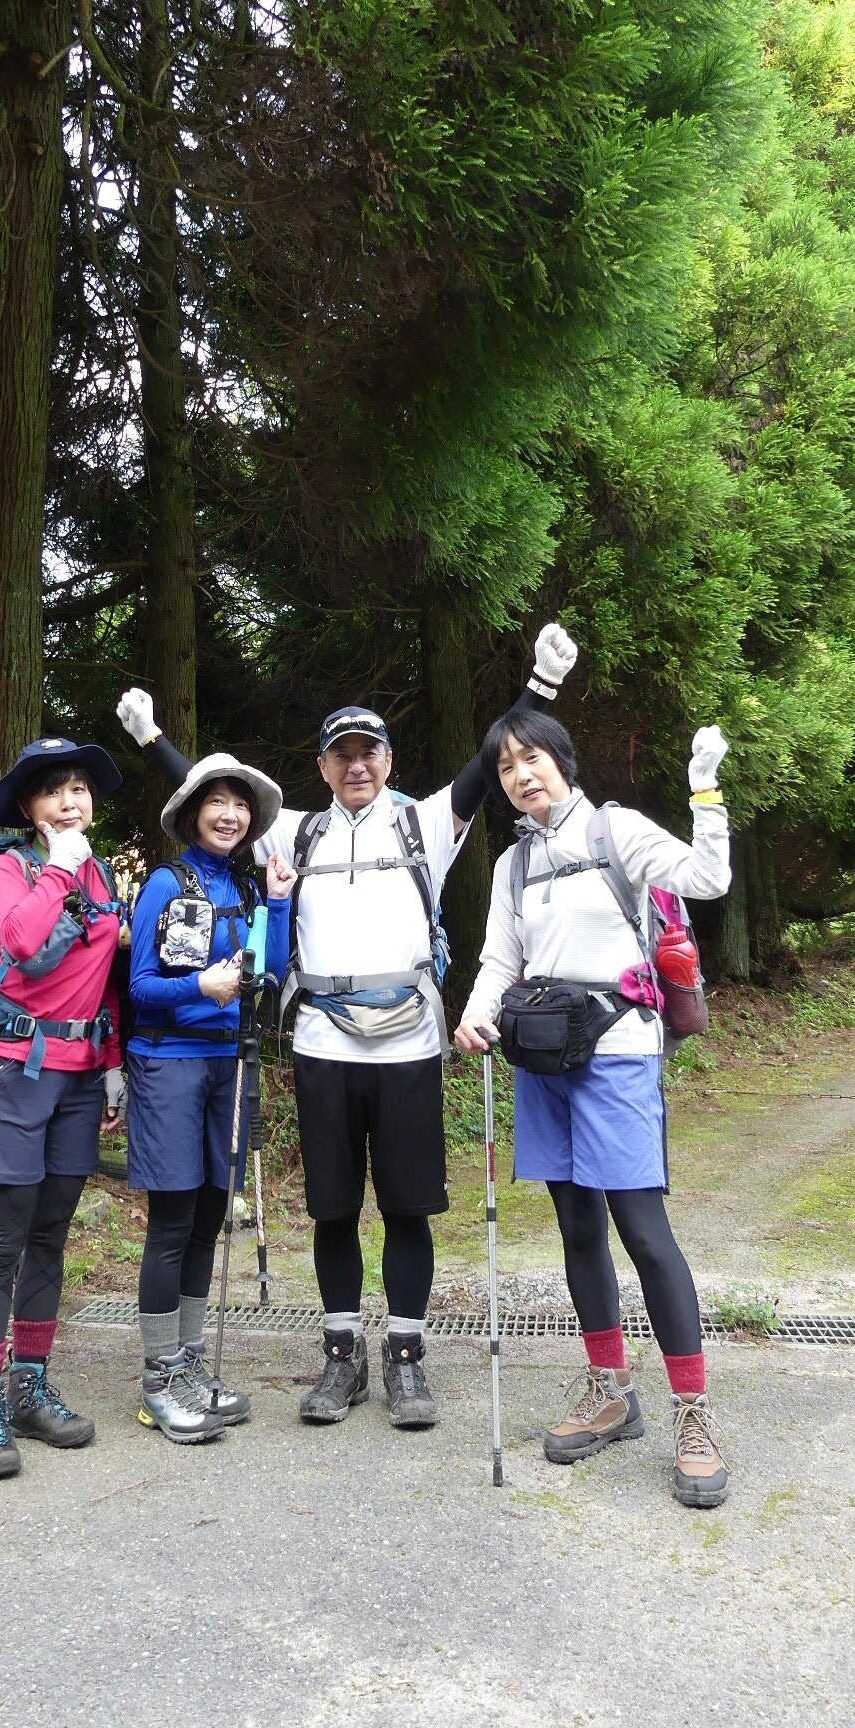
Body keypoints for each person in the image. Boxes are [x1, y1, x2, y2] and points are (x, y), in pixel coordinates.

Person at [115, 624, 578, 1430]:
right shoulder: (297, 829)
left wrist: (540, 688)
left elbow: (486, 764)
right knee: (332, 1209)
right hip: (323, 1043)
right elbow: (212, 796)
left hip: (408, 1043)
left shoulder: (426, 822)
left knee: (407, 1208)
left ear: (388, 761)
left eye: (369, 753)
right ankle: (340, 1356)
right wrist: (153, 740)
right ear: (323, 766)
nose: (356, 765)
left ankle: (405, 1358)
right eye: (341, 755)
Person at [454, 712, 732, 1507]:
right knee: (577, 1228)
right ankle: (610, 1391)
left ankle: (692, 1412)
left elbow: (707, 878)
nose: (520, 775)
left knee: (643, 1232)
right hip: (545, 1059)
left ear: (562, 760)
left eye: (531, 758)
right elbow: (500, 959)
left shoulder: (617, 831)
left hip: (618, 1055)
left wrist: (704, 791)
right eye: (505, 767)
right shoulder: (512, 862)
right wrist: (475, 1013)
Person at [0, 737, 128, 1480]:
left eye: (79, 788)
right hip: (15, 1073)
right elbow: (23, 942)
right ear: (29, 808)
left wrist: (113, 1063)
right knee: (4, 1240)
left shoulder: (103, 872)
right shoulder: (12, 868)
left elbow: (106, 975)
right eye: (53, 791)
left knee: (51, 1238)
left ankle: (29, 1387)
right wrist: (59, 865)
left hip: (79, 1078)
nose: (70, 801)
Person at [120, 754, 295, 1443]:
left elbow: (270, 973)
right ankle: (159, 1378)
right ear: (193, 813)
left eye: (241, 804)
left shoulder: (246, 888)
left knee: (209, 1217)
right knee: (172, 1220)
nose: (231, 815)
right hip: (169, 1063)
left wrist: (278, 901)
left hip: (231, 1065)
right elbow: (140, 987)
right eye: (217, 802)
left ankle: (189, 1363)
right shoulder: (167, 883)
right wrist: (200, 987)